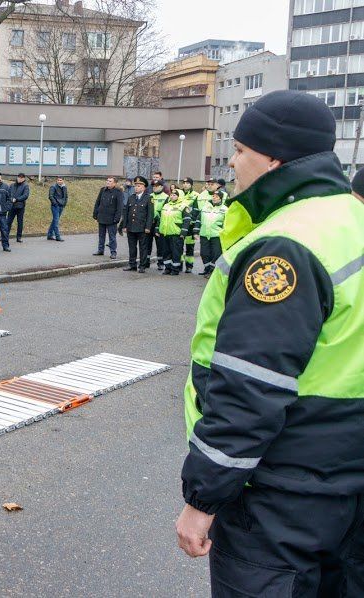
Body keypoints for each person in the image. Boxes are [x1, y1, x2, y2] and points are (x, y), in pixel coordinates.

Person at [175, 89, 364, 596]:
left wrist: (203, 499)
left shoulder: (287, 244)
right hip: (345, 477)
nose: (232, 162)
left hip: (281, 492)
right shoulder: (352, 219)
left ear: (274, 156)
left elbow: (251, 388)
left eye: (239, 150)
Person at [118, 176, 153, 273]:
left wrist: (148, 227)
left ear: (144, 187)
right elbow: (126, 212)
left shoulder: (148, 198)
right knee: (132, 247)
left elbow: (150, 214)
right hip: (131, 227)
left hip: (142, 228)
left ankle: (142, 265)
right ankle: (132, 264)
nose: (136, 187)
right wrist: (124, 226)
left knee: (143, 247)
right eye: (135, 186)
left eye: (138, 186)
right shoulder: (131, 198)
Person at [157, 189, 190, 275]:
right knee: (166, 251)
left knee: (176, 252)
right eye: (171, 195)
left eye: (175, 195)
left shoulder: (183, 206)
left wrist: (183, 232)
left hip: (176, 233)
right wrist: (157, 229)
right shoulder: (166, 205)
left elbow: (187, 220)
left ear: (179, 197)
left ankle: (175, 269)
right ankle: (167, 268)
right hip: (165, 232)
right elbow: (160, 218)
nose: (172, 196)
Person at [197, 187, 227, 277]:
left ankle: (212, 271)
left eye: (217, 196)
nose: (214, 198)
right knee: (204, 253)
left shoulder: (225, 209)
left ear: (221, 199)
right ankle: (207, 269)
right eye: (213, 196)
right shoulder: (206, 207)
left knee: (216, 254)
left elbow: (227, 223)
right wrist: (195, 231)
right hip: (204, 234)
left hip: (217, 235)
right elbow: (199, 219)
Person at [92, 176, 123, 257]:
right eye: (107, 181)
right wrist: (95, 214)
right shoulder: (103, 190)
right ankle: (100, 250)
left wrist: (117, 218)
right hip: (101, 216)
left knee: (112, 237)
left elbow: (119, 207)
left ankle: (113, 252)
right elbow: (97, 203)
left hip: (112, 218)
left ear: (115, 183)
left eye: (110, 181)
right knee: (101, 235)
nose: (108, 182)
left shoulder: (118, 192)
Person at [180, 177, 200, 274]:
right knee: (178, 246)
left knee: (189, 247)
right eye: (184, 183)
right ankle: (178, 264)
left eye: (187, 183)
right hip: (180, 224)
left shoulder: (196, 195)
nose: (185, 184)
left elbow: (196, 210)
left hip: (190, 225)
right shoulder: (178, 193)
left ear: (191, 185)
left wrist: (192, 220)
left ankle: (189, 266)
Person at [148, 180, 169, 270]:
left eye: (157, 186)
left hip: (159, 223)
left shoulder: (166, 197)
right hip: (149, 223)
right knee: (147, 244)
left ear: (161, 187)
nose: (154, 187)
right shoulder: (149, 196)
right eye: (153, 186)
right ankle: (146, 261)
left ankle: (161, 262)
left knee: (160, 245)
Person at [7, 173, 30, 243]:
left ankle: (19, 237)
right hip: (12, 206)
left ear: (24, 179)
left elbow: (25, 195)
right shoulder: (12, 185)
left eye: (21, 178)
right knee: (8, 222)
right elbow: (8, 194)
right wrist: (11, 199)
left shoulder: (25, 186)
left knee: (20, 222)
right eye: (19, 177)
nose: (19, 179)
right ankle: (5, 236)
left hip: (20, 207)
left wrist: (16, 199)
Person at [47, 176, 68, 242]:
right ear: (56, 181)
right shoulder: (53, 187)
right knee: (56, 221)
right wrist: (55, 204)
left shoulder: (64, 187)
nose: (60, 181)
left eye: (61, 180)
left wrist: (64, 204)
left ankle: (49, 235)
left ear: (63, 181)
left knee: (54, 221)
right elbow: (50, 196)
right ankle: (57, 236)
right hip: (55, 206)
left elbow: (66, 196)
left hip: (61, 206)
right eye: (58, 180)